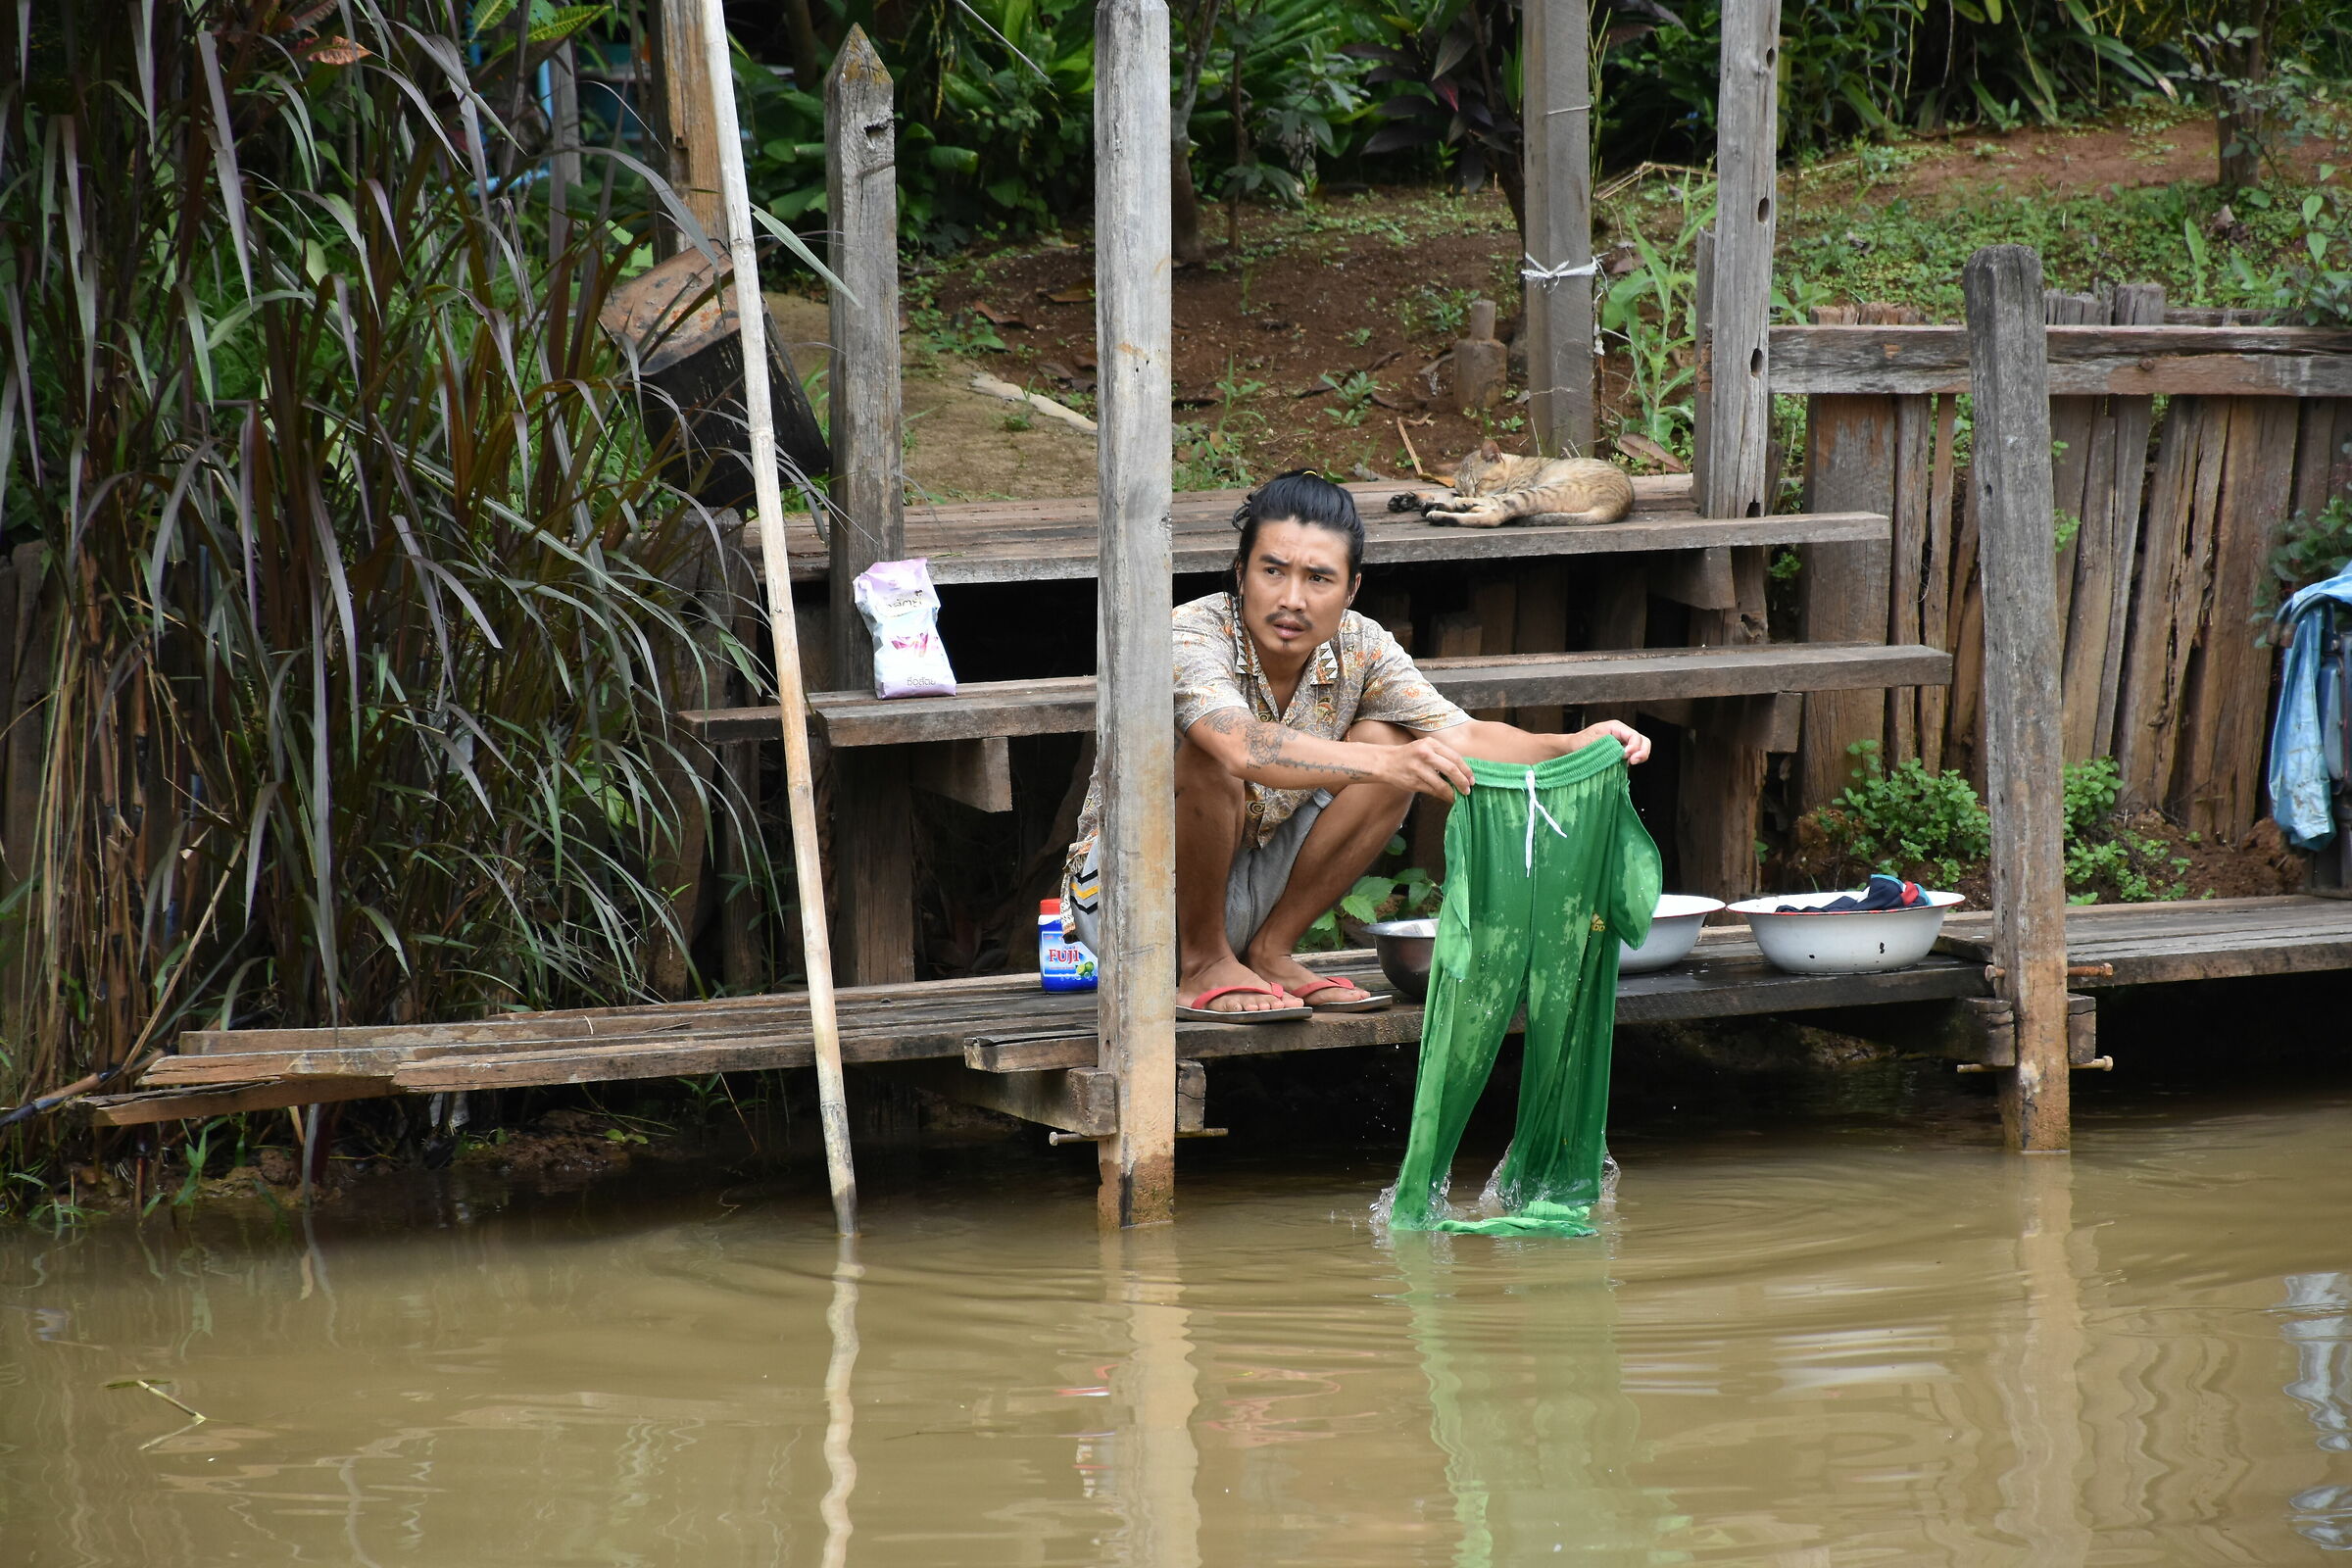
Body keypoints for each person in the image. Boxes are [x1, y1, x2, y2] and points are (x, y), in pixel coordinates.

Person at [1061, 470, 1650, 1019]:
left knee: (1393, 736)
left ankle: (1270, 951)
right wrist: (1389, 764)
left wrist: (1571, 744)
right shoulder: (1190, 633)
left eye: (1319, 579)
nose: (1293, 598)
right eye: (1273, 571)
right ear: (1240, 573)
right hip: (1130, 903)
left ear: (1350, 588)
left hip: (1249, 889)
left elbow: (1462, 736)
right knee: (1229, 757)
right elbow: (1242, 747)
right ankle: (1204, 963)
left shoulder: (1362, 643)